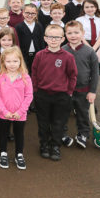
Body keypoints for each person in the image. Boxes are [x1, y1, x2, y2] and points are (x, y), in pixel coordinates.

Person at [31, 25, 77, 161]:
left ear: (62, 39)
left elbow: (73, 75)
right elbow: (34, 73)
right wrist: (35, 90)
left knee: (58, 123)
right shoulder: (39, 55)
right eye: (50, 37)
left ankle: (55, 146)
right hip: (42, 95)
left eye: (57, 37)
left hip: (61, 96)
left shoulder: (68, 57)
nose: (53, 40)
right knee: (43, 122)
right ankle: (44, 144)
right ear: (45, 38)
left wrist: (69, 92)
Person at [0, 47, 33, 170]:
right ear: (3, 62)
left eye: (15, 61)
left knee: (19, 134)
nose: (12, 64)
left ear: (20, 61)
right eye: (9, 61)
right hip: (4, 114)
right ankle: (3, 153)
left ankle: (19, 154)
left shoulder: (26, 77)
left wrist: (20, 112)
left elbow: (29, 96)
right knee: (3, 133)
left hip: (20, 115)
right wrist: (4, 111)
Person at [62, 21, 99, 148]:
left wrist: (92, 91)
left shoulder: (89, 51)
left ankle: (83, 134)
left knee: (83, 113)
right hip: (66, 90)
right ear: (65, 34)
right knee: (63, 113)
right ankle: (62, 134)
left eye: (76, 32)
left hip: (83, 90)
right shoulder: (62, 50)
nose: (73, 35)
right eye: (69, 33)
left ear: (83, 33)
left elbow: (95, 73)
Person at [15, 4, 46, 75]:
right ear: (23, 12)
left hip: (36, 55)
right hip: (23, 55)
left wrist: (42, 54)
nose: (30, 15)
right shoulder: (18, 27)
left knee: (36, 73)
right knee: (25, 73)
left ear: (36, 14)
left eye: (33, 13)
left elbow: (42, 42)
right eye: (27, 13)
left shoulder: (39, 26)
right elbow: (17, 42)